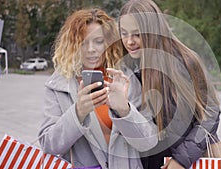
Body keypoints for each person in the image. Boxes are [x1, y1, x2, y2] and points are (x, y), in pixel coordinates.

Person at [38, 8, 157, 169]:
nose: (91, 49)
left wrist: (125, 111)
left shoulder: (124, 79)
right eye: (83, 42)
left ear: (108, 42)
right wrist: (78, 112)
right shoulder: (58, 85)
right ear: (72, 45)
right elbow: (49, 145)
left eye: (98, 41)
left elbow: (148, 142)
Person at [117, 0, 221, 169]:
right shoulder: (133, 68)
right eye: (124, 33)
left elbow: (210, 114)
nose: (129, 41)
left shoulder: (184, 61)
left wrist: (181, 160)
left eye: (137, 34)